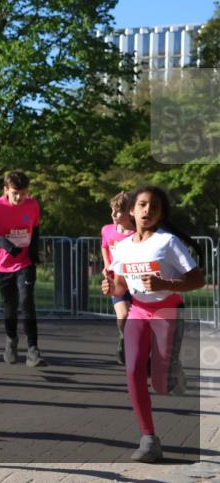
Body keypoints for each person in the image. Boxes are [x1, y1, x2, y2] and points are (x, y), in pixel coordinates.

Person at [102, 185, 203, 463]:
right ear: (131, 211)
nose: (148, 210)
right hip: (138, 311)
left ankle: (173, 370)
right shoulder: (121, 247)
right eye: (143, 205)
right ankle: (149, 439)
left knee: (161, 383)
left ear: (160, 214)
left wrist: (164, 284)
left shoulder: (168, 243)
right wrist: (112, 288)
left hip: (167, 312)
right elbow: (121, 285)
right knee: (133, 369)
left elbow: (198, 280)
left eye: (155, 207)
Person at [0, 170, 45, 367]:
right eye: (14, 193)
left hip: (25, 263)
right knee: (10, 306)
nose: (19, 197)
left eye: (23, 193)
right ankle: (11, 340)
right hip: (3, 265)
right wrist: (3, 243)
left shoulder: (32, 205)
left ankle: (33, 350)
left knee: (27, 300)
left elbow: (35, 229)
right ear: (5, 190)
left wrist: (34, 252)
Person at [101, 191, 135, 365]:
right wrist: (107, 264)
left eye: (117, 211)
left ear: (129, 212)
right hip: (117, 282)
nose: (113, 215)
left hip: (136, 282)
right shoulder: (107, 230)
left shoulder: (137, 233)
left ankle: (139, 350)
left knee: (136, 319)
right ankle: (124, 338)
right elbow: (105, 246)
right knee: (122, 315)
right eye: (112, 210)